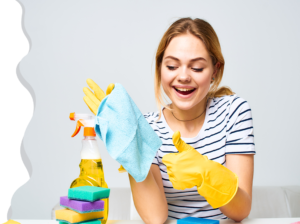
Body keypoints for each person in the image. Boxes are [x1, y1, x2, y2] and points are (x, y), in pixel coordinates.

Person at [83, 17, 255, 224]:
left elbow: (241, 210)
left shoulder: (233, 112)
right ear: (160, 68)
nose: (183, 77)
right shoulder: (147, 128)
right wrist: (132, 147)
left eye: (197, 68)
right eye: (172, 66)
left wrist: (206, 173)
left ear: (215, 70)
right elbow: (155, 218)